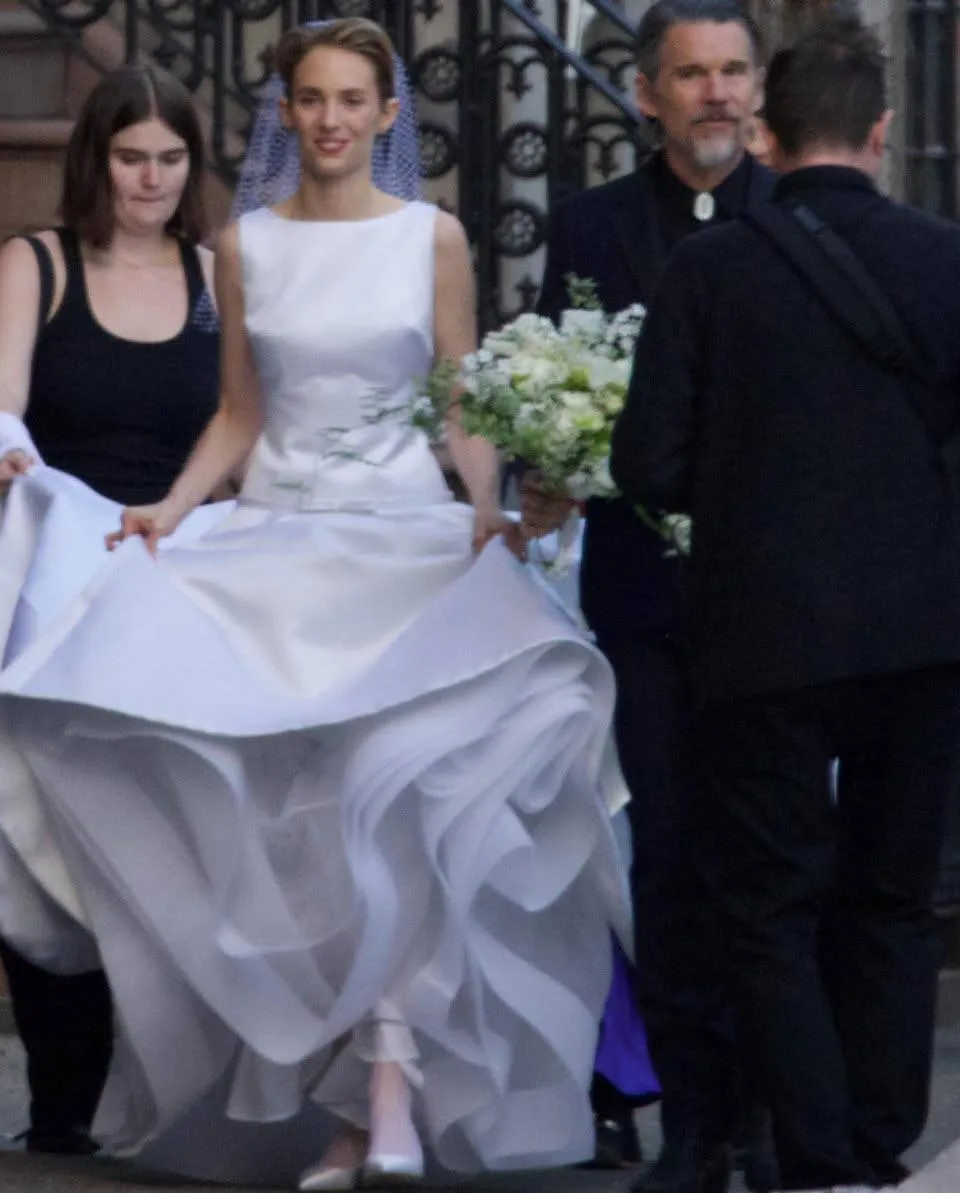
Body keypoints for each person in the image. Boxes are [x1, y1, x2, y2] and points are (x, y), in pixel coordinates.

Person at [0, 17, 633, 1188]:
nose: (332, 118)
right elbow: (241, 411)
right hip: (279, 543)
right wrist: (171, 507)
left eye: (353, 99)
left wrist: (487, 507)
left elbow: (459, 397)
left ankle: (389, 1084)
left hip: (405, 544)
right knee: (295, 828)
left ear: (387, 114)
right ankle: (343, 1099)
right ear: (286, 112)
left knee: (408, 807)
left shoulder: (434, 236)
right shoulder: (245, 245)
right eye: (312, 98)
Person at [611, 15, 960, 1191]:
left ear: (766, 130)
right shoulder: (947, 260)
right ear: (882, 131)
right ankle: (878, 1132)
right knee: (895, 893)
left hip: (760, 631)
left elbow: (649, 464)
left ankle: (811, 1148)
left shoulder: (709, 269)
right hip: (922, 630)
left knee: (766, 900)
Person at [0, 65, 219, 1155]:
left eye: (170, 159)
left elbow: (246, 424)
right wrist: (14, 456)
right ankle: (62, 1102)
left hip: (184, 578)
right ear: (95, 159)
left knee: (175, 833)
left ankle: (165, 1092)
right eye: (131, 158)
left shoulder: (218, 277)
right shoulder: (36, 261)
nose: (151, 180)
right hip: (61, 571)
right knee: (48, 827)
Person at [523, 3, 774, 1191]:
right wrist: (554, 455)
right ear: (647, 92)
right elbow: (551, 374)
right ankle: (694, 1124)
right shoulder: (592, 224)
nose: (715, 92)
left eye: (732, 71)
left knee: (765, 861)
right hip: (642, 596)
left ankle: (765, 1113)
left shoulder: (793, 216)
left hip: (776, 598)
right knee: (665, 859)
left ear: (757, 88)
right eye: (691, 74)